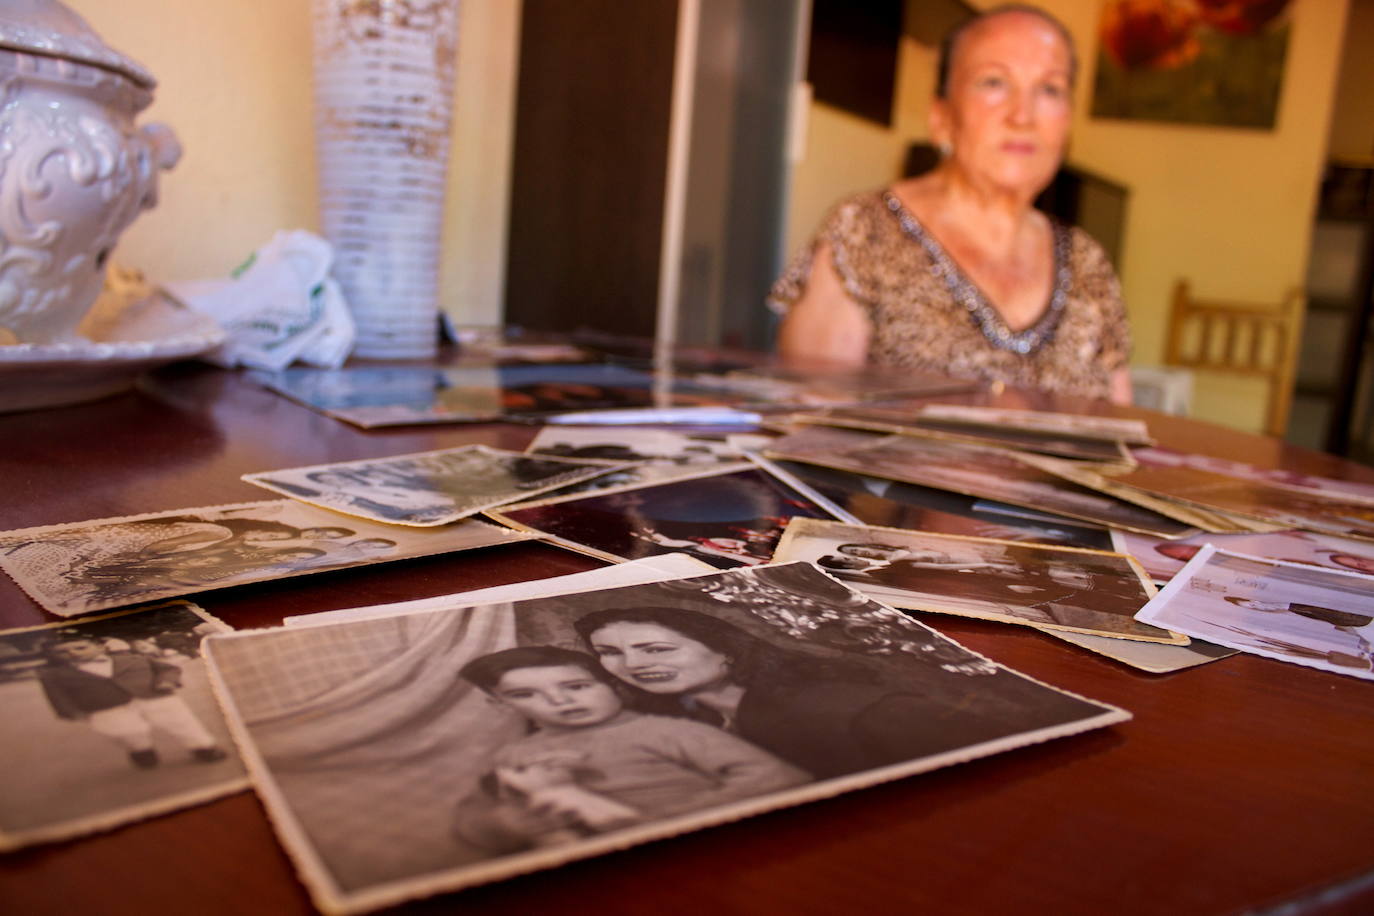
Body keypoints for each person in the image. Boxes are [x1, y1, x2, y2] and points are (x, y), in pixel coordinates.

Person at [771, 5, 1132, 404]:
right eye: (994, 82)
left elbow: (1117, 434)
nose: (1023, 115)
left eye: (1050, 89)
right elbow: (809, 424)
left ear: (1066, 123)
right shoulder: (864, 232)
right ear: (941, 115)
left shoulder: (1087, 263)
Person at [573, 606, 1021, 779]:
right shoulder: (687, 722)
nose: (632, 665)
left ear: (726, 651)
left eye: (656, 649)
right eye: (609, 653)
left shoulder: (845, 708)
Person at [452, 646, 808, 852]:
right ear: (501, 706)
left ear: (616, 687)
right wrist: (508, 824)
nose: (558, 700)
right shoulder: (517, 756)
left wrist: (657, 824)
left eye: (576, 686)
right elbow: (479, 818)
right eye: (524, 694)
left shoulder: (667, 732)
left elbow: (779, 777)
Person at [36, 636, 228, 769]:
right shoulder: (54, 675)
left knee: (180, 722)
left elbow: (166, 668)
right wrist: (69, 711)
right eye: (63, 652)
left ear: (100, 647)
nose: (73, 653)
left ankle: (203, 747)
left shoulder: (133, 658)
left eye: (80, 647)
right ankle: (141, 749)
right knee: (126, 731)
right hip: (105, 706)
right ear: (54, 656)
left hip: (153, 695)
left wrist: (166, 681)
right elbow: (56, 695)